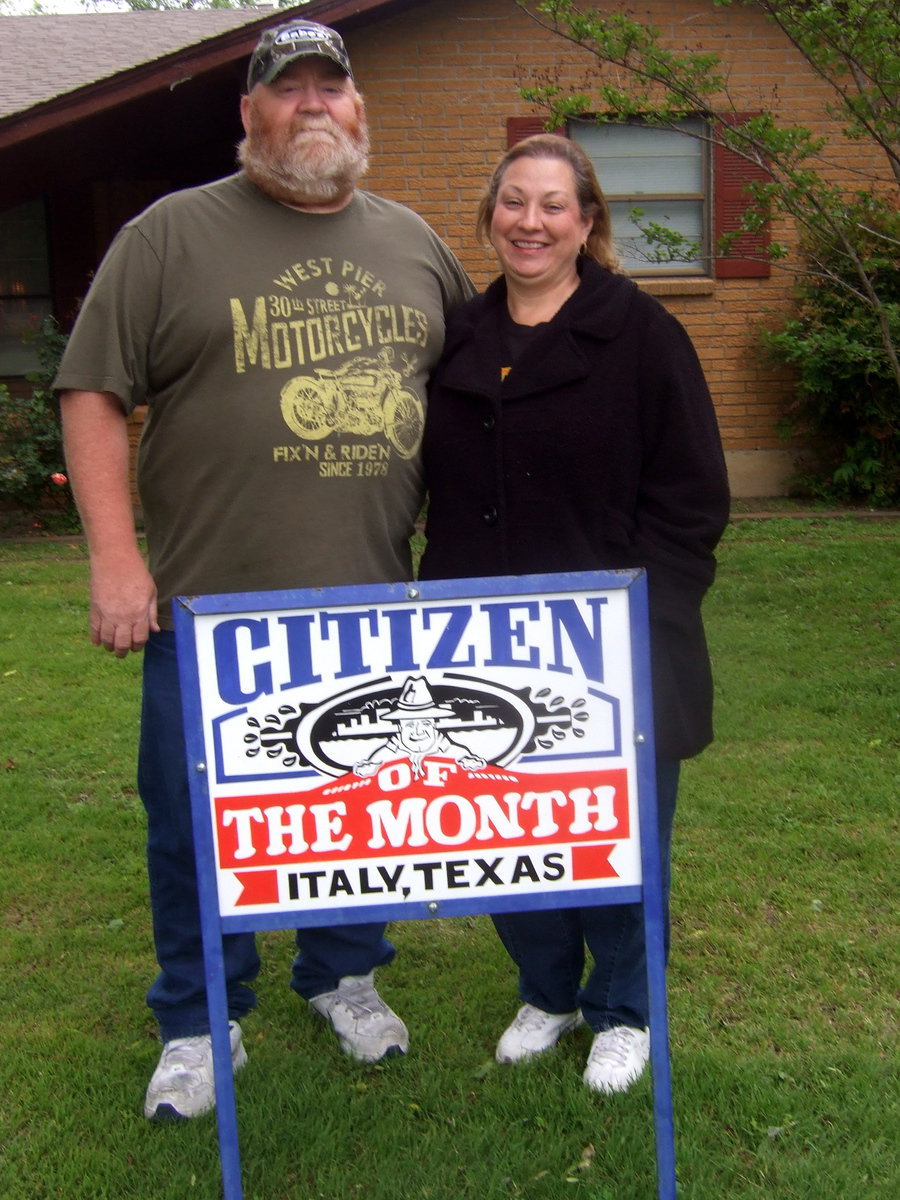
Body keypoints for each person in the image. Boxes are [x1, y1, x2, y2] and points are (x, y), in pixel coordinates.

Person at [55, 19, 472, 1121]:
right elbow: (93, 389)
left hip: (374, 606)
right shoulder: (169, 236)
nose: (314, 108)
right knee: (194, 820)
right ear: (250, 114)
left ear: (359, 110)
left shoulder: (418, 245)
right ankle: (200, 1018)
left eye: (332, 88)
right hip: (211, 612)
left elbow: (481, 405)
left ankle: (343, 974)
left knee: (361, 805)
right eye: (290, 92)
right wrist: (114, 561)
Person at [417, 134, 729, 1094]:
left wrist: (642, 618)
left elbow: (690, 498)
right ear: (490, 216)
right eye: (514, 202)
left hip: (616, 650)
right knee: (510, 835)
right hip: (485, 648)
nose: (531, 222)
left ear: (587, 222)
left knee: (618, 840)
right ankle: (547, 992)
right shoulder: (461, 338)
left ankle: (624, 1010)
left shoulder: (639, 333)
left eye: (554, 205)